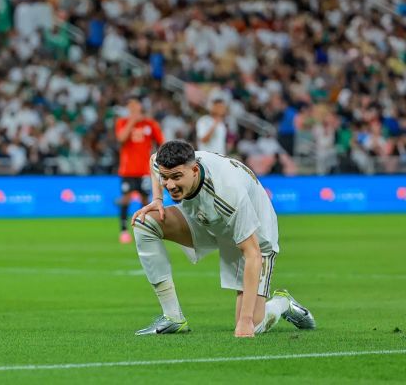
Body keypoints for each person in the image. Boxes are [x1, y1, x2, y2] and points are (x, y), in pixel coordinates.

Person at [131, 140, 315, 337]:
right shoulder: (168, 164)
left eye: (177, 177)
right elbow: (153, 161)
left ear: (194, 170)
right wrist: (157, 199)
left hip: (255, 234)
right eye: (165, 178)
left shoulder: (227, 193)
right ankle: (173, 317)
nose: (170, 185)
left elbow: (253, 253)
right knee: (144, 223)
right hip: (208, 219)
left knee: (252, 324)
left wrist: (245, 321)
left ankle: (282, 303)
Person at [115, 98, 164, 244]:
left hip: (145, 170)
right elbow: (121, 138)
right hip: (127, 170)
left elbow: (161, 142)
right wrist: (132, 120)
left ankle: (144, 228)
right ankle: (124, 230)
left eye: (135, 105)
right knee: (126, 198)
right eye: (130, 106)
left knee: (145, 200)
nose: (133, 108)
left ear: (140, 106)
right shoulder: (122, 122)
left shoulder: (150, 124)